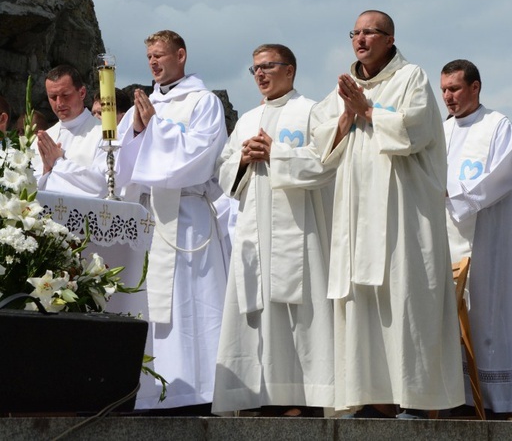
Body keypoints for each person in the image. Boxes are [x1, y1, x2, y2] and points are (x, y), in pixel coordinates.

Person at [295, 10, 464, 419]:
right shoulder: (344, 88)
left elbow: (416, 131)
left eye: (371, 32)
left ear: (390, 39)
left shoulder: (412, 78)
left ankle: (414, 403)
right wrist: (347, 114)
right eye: (355, 32)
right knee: (359, 302)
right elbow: (320, 143)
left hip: (403, 218)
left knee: (404, 300)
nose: (361, 39)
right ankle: (363, 397)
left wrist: (368, 111)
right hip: (354, 216)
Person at [212, 44, 334, 416]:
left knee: (300, 315)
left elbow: (324, 164)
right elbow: (224, 174)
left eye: (268, 67)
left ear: (290, 70)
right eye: (255, 69)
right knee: (255, 310)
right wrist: (244, 159)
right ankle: (255, 395)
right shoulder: (248, 119)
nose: (260, 75)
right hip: (255, 230)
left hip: (300, 231)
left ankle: (302, 397)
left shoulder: (311, 111)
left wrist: (276, 153)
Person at [115, 30, 229, 413]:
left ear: (181, 55)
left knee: (190, 304)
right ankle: (149, 390)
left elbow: (199, 155)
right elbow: (121, 164)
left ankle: (196, 392)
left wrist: (156, 130)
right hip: (150, 217)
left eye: (159, 55)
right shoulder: (138, 108)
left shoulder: (204, 102)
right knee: (149, 302)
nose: (153, 62)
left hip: (187, 215)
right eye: (148, 56)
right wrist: (135, 130)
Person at [440, 59, 512, 416]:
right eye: (444, 89)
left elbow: (503, 179)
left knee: (486, 314)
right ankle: (453, 395)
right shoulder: (442, 131)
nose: (448, 96)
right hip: (445, 238)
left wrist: (455, 196)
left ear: (475, 88)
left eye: (455, 89)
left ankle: (494, 402)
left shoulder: (497, 125)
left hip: (485, 241)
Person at [32, 65, 107, 197]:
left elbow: (101, 186)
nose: (59, 103)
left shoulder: (103, 134)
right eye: (53, 97)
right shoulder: (45, 138)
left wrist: (58, 162)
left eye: (65, 95)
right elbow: (29, 188)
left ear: (82, 93)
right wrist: (46, 170)